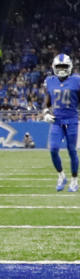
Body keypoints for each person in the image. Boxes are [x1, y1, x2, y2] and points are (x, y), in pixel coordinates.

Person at [42, 53, 80, 192]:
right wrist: (46, 112)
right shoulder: (50, 81)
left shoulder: (77, 80)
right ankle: (61, 176)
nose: (62, 69)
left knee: (72, 151)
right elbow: (48, 100)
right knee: (53, 150)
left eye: (64, 66)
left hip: (72, 120)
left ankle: (75, 180)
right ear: (54, 67)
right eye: (59, 66)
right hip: (57, 121)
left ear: (70, 66)